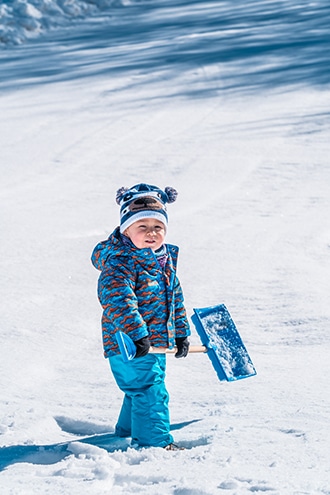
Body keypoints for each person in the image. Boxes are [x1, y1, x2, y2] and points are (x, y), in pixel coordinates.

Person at [91, 183, 190, 450]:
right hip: (126, 343)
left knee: (141, 389)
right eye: (142, 226)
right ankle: (155, 444)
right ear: (126, 229)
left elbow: (175, 300)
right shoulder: (120, 262)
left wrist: (181, 333)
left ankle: (127, 431)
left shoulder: (163, 261)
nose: (151, 233)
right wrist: (137, 334)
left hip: (153, 343)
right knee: (150, 390)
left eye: (157, 227)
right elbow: (118, 301)